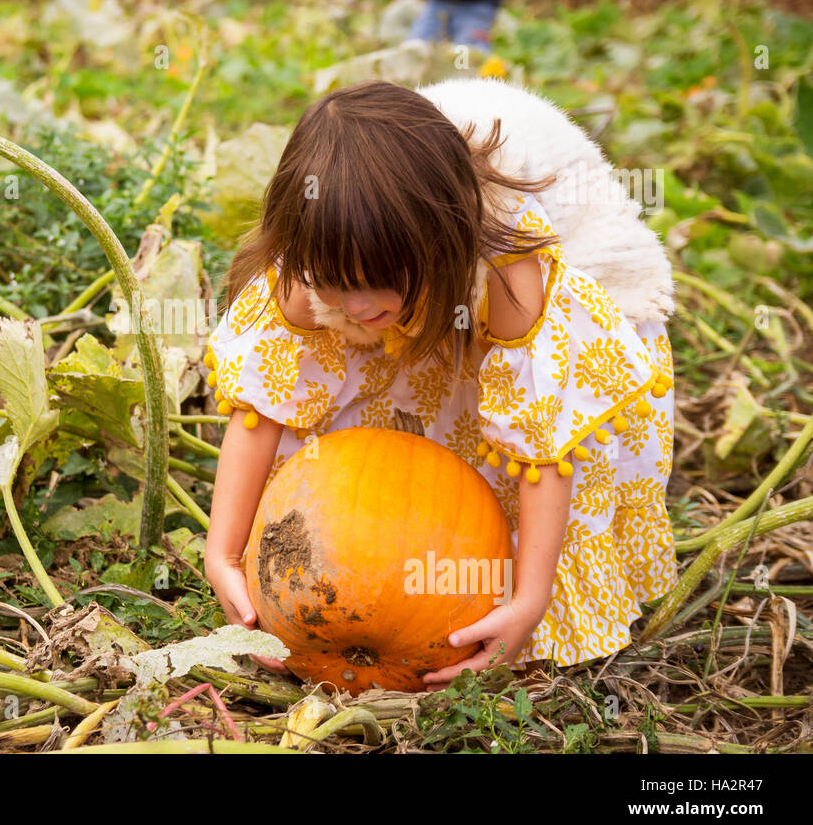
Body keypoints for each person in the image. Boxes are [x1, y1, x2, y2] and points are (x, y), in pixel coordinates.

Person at [202, 79, 677, 689]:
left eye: (377, 282)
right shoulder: (310, 267)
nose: (359, 302)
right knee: (355, 397)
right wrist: (224, 553)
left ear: (435, 245)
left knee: (534, 438)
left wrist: (530, 600)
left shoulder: (510, 268)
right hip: (428, 276)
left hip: (555, 308)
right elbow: (260, 410)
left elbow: (545, 440)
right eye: (336, 284)